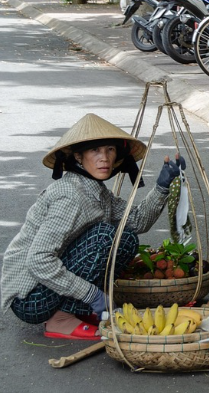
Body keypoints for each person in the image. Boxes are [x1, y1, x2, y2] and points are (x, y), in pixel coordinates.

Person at [0, 114, 185, 341]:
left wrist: (162, 186)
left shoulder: (97, 192)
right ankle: (61, 318)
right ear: (79, 156)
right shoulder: (71, 196)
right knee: (105, 237)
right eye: (95, 151)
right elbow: (38, 260)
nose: (104, 158)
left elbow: (136, 221)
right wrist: (93, 294)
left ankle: (74, 310)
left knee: (125, 239)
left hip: (48, 285)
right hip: (30, 298)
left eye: (110, 150)